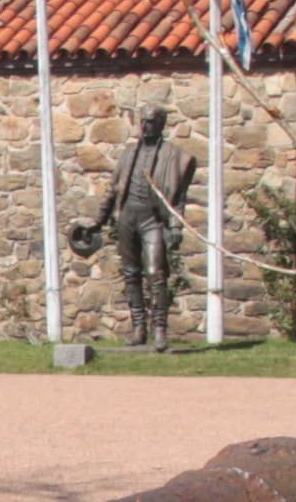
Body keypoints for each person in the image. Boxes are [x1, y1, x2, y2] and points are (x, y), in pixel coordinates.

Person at [74, 107, 202, 350]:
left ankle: (160, 330)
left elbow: (178, 197)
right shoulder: (129, 152)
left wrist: (175, 226)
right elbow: (113, 189)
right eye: (143, 122)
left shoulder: (173, 155)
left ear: (161, 124)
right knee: (131, 273)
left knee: (156, 273)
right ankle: (139, 328)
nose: (146, 126)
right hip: (127, 217)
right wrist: (99, 221)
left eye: (151, 122)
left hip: (152, 219)